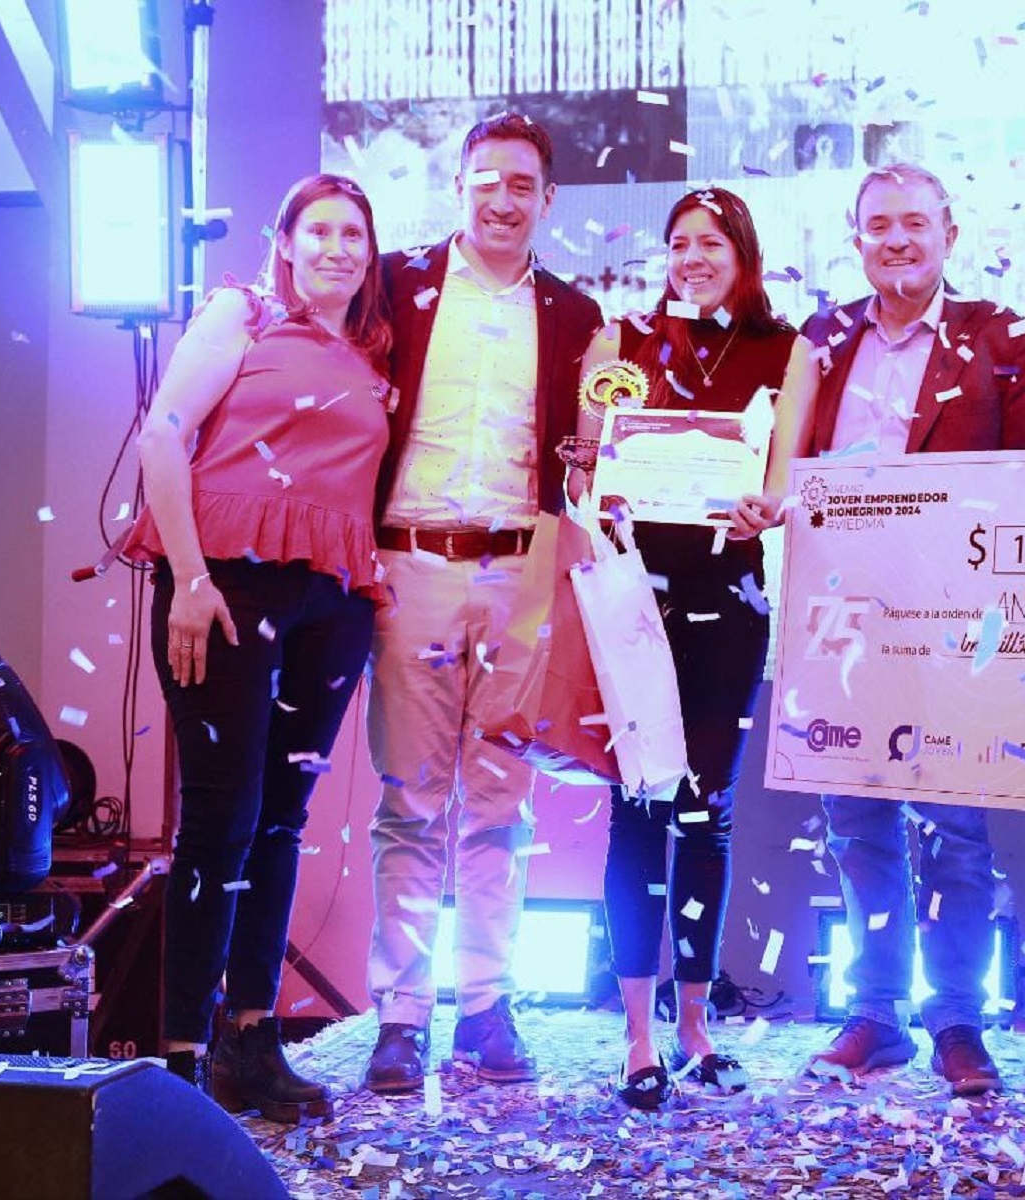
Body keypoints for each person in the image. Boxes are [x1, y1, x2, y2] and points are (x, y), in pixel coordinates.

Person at [127, 173, 392, 1122]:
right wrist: (189, 578)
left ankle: (251, 1042)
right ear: (285, 242)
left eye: (353, 234)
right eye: (318, 230)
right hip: (228, 584)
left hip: (333, 600)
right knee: (221, 814)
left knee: (281, 818)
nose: (336, 248)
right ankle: (181, 1061)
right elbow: (163, 434)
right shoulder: (242, 312)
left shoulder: (370, 353)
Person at [801, 163, 1025, 1096]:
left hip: (959, 616)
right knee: (856, 822)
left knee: (955, 829)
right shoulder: (822, 338)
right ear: (856, 239)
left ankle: (957, 1020)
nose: (897, 240)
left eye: (915, 223)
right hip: (840, 614)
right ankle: (876, 1016)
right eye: (879, 226)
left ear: (950, 231)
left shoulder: (1002, 336)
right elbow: (787, 461)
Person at [363, 113, 602, 1094]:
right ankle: (400, 1013)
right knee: (411, 800)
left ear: (548, 201)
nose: (503, 201)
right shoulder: (394, 285)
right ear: (458, 186)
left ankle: (487, 1005)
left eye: (522, 186)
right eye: (486, 181)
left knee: (501, 800)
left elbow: (590, 453)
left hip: (520, 570)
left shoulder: (577, 315)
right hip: (410, 566)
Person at [572, 187, 816, 1111]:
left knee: (705, 816)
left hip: (732, 603)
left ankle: (696, 1028)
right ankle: (637, 1037)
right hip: (635, 601)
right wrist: (590, 481)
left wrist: (769, 507)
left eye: (712, 242)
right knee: (636, 809)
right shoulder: (622, 342)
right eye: (679, 243)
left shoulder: (787, 349)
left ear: (744, 254)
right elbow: (586, 471)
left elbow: (784, 481)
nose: (693, 257)